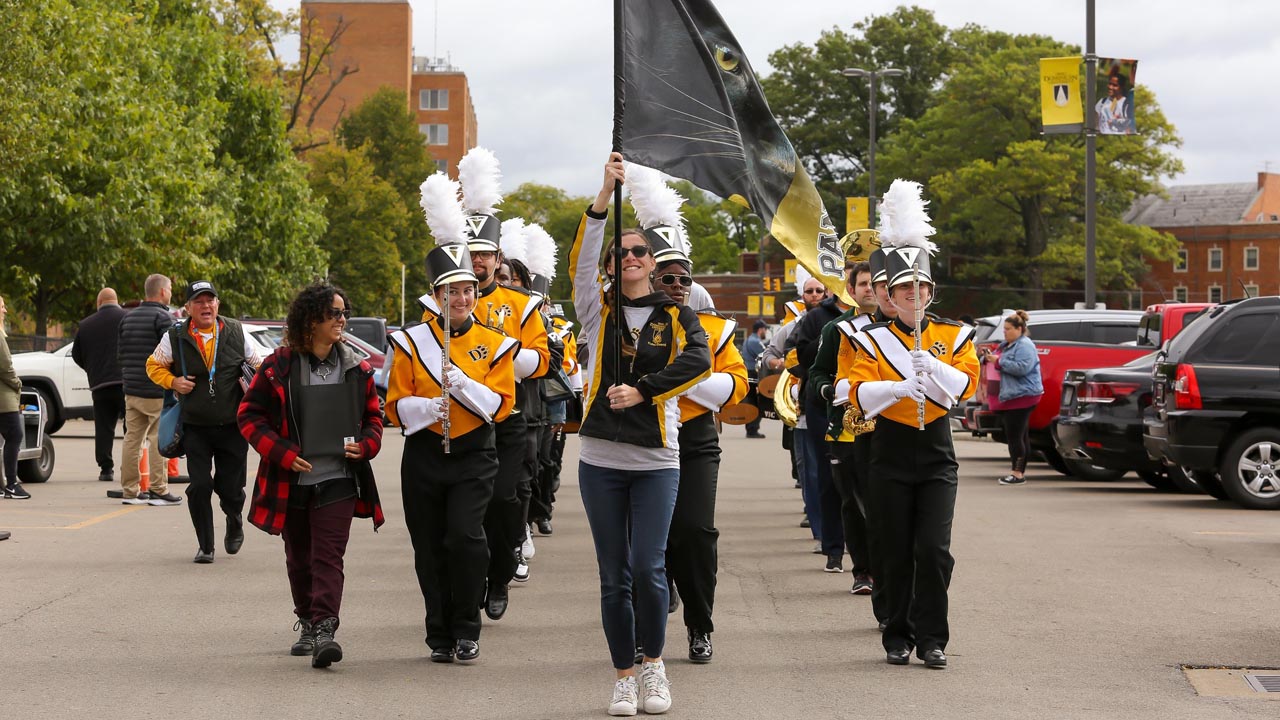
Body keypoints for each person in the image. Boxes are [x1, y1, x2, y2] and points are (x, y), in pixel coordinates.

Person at [571, 153, 711, 716]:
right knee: (613, 575)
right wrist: (605, 191)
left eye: (638, 251)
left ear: (653, 263)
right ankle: (623, 674)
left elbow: (700, 363)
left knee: (648, 567)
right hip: (600, 459)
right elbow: (582, 261)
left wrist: (646, 389)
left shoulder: (677, 315)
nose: (628, 257)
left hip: (657, 459)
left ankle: (655, 666)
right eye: (620, 252)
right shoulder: (594, 309)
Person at [843, 179, 979, 669]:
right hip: (890, 452)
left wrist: (934, 368)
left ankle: (933, 637)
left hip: (938, 453)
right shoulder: (871, 340)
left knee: (934, 550)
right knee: (894, 549)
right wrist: (898, 387)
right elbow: (857, 393)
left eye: (921, 287)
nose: (914, 295)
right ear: (890, 294)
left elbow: (967, 388)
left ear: (931, 290)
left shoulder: (954, 334)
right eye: (904, 289)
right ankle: (896, 635)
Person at [386, 206, 517, 663]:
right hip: (423, 453)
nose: (460, 299)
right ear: (435, 295)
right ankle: (439, 633)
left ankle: (467, 626)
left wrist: (460, 385)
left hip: (473, 454)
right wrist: (428, 406)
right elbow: (394, 407)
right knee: (429, 548)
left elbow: (501, 407)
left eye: (467, 290)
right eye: (451, 291)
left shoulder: (496, 344)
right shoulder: (410, 341)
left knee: (465, 538)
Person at [629, 163, 748, 666]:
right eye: (666, 277)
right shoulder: (632, 326)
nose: (675, 284)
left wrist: (682, 383)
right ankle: (646, 628)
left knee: (695, 532)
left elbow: (735, 387)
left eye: (682, 278)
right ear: (651, 277)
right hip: (641, 441)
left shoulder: (716, 331)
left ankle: (700, 625)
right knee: (647, 541)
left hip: (695, 441)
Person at [237, 282, 385, 669]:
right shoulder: (277, 366)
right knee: (298, 558)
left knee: (328, 557)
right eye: (334, 314)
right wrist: (284, 454)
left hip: (338, 478)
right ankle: (306, 617)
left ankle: (324, 629)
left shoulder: (358, 367)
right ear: (311, 319)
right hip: (290, 481)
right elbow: (248, 416)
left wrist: (366, 445)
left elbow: (374, 418)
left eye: (344, 314)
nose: (341, 321)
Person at [455, 147, 552, 621]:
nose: (478, 262)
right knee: (466, 513)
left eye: (485, 254)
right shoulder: (447, 301)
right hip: (462, 421)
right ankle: (471, 583)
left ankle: (500, 576)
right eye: (470, 254)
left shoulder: (522, 304)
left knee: (504, 501)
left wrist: (496, 358)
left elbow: (541, 362)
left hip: (513, 418)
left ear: (498, 257)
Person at [147, 280, 263, 563]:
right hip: (195, 425)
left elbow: (260, 366)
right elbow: (153, 365)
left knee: (230, 488)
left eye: (210, 300)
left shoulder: (236, 332)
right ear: (188, 308)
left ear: (218, 304)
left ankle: (234, 518)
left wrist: (253, 388)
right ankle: (206, 545)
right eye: (198, 301)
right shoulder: (175, 335)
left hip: (233, 426)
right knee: (199, 486)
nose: (205, 306)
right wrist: (173, 381)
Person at [808, 259, 877, 593]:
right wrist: (829, 389)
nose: (868, 289)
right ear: (851, 290)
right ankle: (862, 571)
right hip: (846, 429)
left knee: (885, 503)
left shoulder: (900, 327)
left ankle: (887, 570)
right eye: (862, 283)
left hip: (889, 429)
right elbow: (817, 372)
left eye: (873, 282)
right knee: (852, 503)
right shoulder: (836, 329)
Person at [116, 274, 182, 506]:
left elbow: (120, 353)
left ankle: (130, 490)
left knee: (132, 439)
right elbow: (174, 353)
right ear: (163, 292)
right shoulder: (163, 318)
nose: (171, 292)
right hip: (155, 389)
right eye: (171, 288)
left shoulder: (128, 317)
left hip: (131, 388)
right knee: (157, 438)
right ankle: (158, 488)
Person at [72, 288, 127, 483]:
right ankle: (130, 467)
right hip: (125, 382)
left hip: (100, 384)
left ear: (99, 303)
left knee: (104, 428)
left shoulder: (85, 325)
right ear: (116, 300)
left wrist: (91, 369)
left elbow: (76, 354)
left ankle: (106, 469)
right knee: (132, 428)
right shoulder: (127, 317)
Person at [988, 310, 1042, 485]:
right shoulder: (1008, 345)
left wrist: (998, 361)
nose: (1005, 332)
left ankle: (1017, 473)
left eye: (1009, 329)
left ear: (1020, 329)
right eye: (1004, 329)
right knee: (1020, 435)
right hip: (1014, 396)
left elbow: (1022, 368)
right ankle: (1019, 471)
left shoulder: (1025, 345)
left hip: (1023, 396)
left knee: (1015, 436)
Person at [1, 294, 32, 500]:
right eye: (2, 306)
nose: (4, 310)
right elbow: (5, 366)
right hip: (4, 398)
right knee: (15, 436)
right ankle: (11, 484)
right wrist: (18, 383)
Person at [740, 319, 768, 438]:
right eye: (765, 330)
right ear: (760, 329)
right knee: (757, 402)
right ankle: (753, 429)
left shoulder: (748, 340)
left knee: (751, 401)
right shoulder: (755, 341)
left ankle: (750, 428)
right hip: (754, 374)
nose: (765, 332)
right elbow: (765, 354)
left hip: (748, 372)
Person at [1096, 70, 1134, 135]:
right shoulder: (1102, 102)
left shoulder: (1127, 104)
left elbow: (1129, 126)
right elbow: (1097, 123)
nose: (1110, 87)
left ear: (1122, 87)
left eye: (1115, 85)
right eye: (1110, 83)